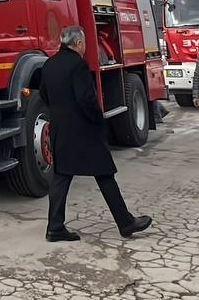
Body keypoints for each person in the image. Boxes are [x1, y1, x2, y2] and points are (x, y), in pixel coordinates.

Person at [40, 25, 151, 242]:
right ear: (79, 43)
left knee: (61, 177)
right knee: (104, 173)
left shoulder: (49, 64)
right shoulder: (78, 65)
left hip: (60, 131)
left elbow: (44, 94)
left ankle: (54, 227)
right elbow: (86, 99)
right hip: (83, 131)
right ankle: (125, 222)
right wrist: (98, 121)